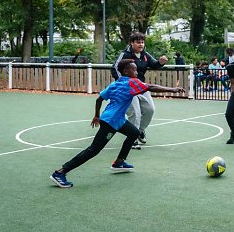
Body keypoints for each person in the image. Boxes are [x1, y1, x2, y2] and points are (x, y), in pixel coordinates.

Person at [50, 59, 185, 188]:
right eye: (134, 70)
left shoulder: (115, 84)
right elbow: (150, 87)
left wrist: (96, 115)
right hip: (111, 121)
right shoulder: (131, 82)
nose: (137, 73)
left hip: (116, 118)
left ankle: (119, 162)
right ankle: (60, 172)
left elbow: (99, 99)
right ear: (126, 72)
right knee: (93, 150)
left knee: (134, 133)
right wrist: (173, 89)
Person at [111, 32, 167, 150]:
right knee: (135, 113)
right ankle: (133, 139)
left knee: (150, 109)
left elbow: (154, 65)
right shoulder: (125, 54)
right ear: (132, 43)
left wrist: (160, 62)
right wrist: (123, 82)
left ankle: (140, 131)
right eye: (138, 42)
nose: (141, 44)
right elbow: (115, 68)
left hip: (141, 86)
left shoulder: (145, 55)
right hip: (128, 88)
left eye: (142, 42)